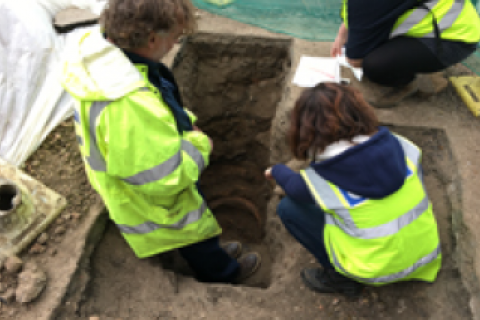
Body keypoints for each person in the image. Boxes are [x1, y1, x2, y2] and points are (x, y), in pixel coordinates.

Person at [61, 0, 261, 284]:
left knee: (197, 233)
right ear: (153, 38)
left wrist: (184, 121)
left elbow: (156, 106)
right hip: (151, 199)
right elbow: (166, 178)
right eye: (176, 37)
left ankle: (213, 253)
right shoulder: (128, 108)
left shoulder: (108, 60)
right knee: (192, 233)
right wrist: (200, 145)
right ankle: (223, 272)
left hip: (141, 164)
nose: (177, 43)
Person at [265, 82, 441, 297]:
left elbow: (292, 187)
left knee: (288, 209)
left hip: (372, 270)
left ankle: (341, 280)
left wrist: (277, 170)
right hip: (424, 256)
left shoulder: (320, 181)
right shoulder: (403, 146)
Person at [331, 0, 480, 107]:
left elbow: (355, 60)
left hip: (455, 37)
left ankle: (409, 82)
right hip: (448, 23)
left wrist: (355, 45)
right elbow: (354, 9)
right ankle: (416, 59)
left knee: (374, 65)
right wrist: (342, 33)